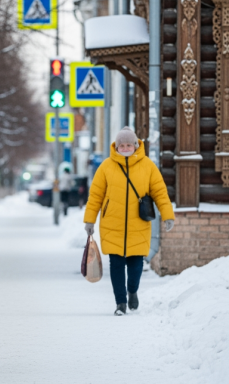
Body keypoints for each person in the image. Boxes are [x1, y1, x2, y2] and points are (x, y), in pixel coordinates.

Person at [83, 127, 174, 316]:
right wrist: (90, 220)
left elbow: (160, 192)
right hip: (112, 225)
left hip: (138, 225)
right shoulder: (106, 167)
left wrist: (168, 215)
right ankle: (120, 303)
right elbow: (95, 196)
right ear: (116, 147)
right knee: (116, 265)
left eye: (128, 145)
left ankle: (132, 290)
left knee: (135, 266)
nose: (125, 148)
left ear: (135, 145)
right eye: (121, 145)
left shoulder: (148, 166)